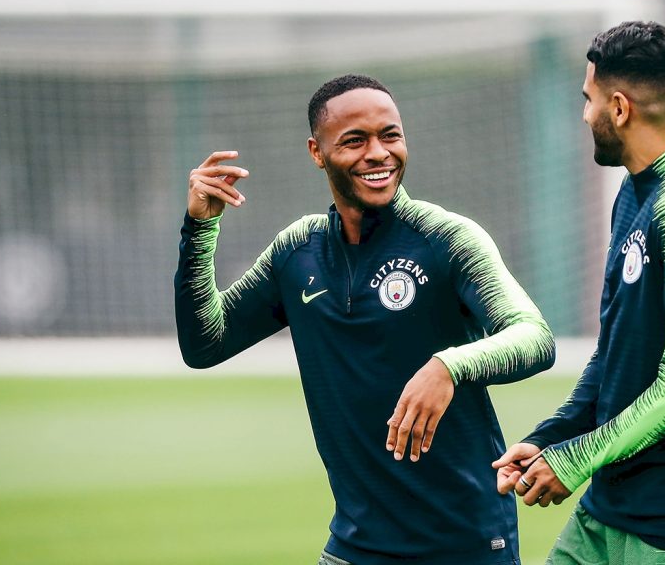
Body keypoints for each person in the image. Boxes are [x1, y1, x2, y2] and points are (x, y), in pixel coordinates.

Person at [175, 74, 555, 565]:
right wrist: (200, 229)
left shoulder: (447, 239)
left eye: (390, 135)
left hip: (464, 542)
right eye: (354, 140)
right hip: (356, 545)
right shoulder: (297, 251)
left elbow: (534, 337)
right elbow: (205, 343)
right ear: (317, 152)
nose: (378, 153)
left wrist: (449, 366)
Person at [493, 21, 665, 564]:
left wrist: (574, 461)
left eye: (587, 100)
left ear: (619, 108)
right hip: (610, 512)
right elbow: (618, 353)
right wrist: (556, 437)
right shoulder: (636, 191)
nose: (584, 115)